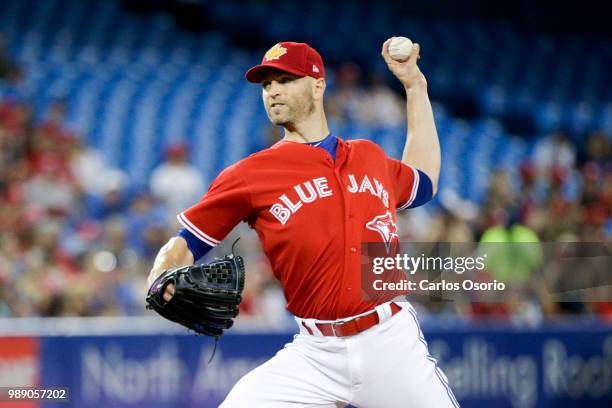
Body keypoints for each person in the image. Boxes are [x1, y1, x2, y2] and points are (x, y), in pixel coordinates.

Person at [147, 39, 458, 407]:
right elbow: (187, 242)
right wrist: (161, 273)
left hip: (390, 341)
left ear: (318, 84)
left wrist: (414, 85)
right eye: (266, 84)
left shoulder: (368, 156)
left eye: (285, 79)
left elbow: (424, 180)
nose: (273, 91)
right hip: (315, 353)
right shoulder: (250, 175)